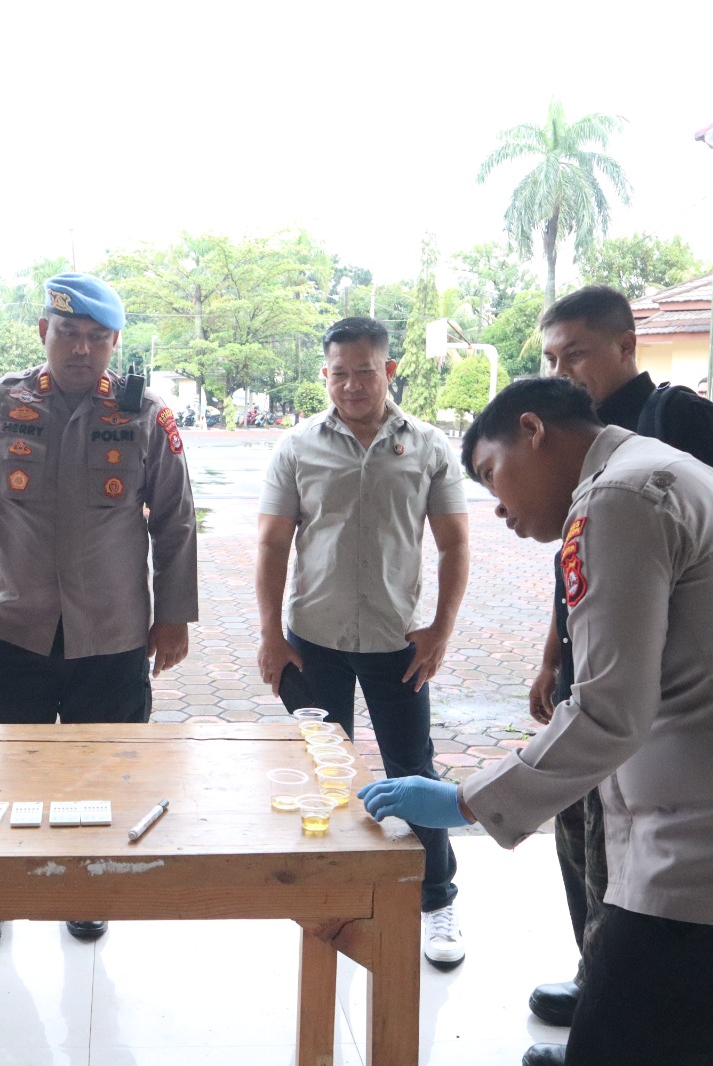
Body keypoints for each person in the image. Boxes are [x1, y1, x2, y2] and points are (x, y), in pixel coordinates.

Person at [361, 377, 713, 1066]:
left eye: (491, 474)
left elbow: (608, 710)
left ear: (533, 432)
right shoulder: (657, 471)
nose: (497, 507)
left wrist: (465, 800)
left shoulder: (618, 498)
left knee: (626, 1042)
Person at [0, 271, 199, 955]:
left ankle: (86, 888)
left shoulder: (145, 415)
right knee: (5, 771)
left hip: (112, 633)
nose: (81, 349)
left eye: (97, 338)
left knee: (103, 772)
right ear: (44, 331)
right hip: (19, 628)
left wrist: (173, 617)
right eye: (69, 333)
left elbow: (175, 520)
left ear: (115, 343)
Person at [525, 285, 713, 1026]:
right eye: (551, 359)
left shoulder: (677, 421)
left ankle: (615, 1005)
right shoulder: (578, 439)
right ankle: (593, 975)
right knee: (581, 833)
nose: (563, 372)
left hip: (660, 684)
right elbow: (574, 567)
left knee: (629, 852)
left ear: (627, 346)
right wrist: (551, 658)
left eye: (576, 354)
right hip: (590, 668)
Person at [255, 315, 471, 969]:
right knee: (327, 773)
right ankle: (336, 897)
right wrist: (270, 635)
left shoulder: (429, 446)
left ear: (389, 370)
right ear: (325, 374)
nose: (351, 385)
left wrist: (441, 630)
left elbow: (455, 543)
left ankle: (437, 900)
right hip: (313, 639)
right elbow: (272, 543)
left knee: (414, 770)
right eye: (339, 373)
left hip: (395, 640)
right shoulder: (296, 446)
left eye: (365, 371)